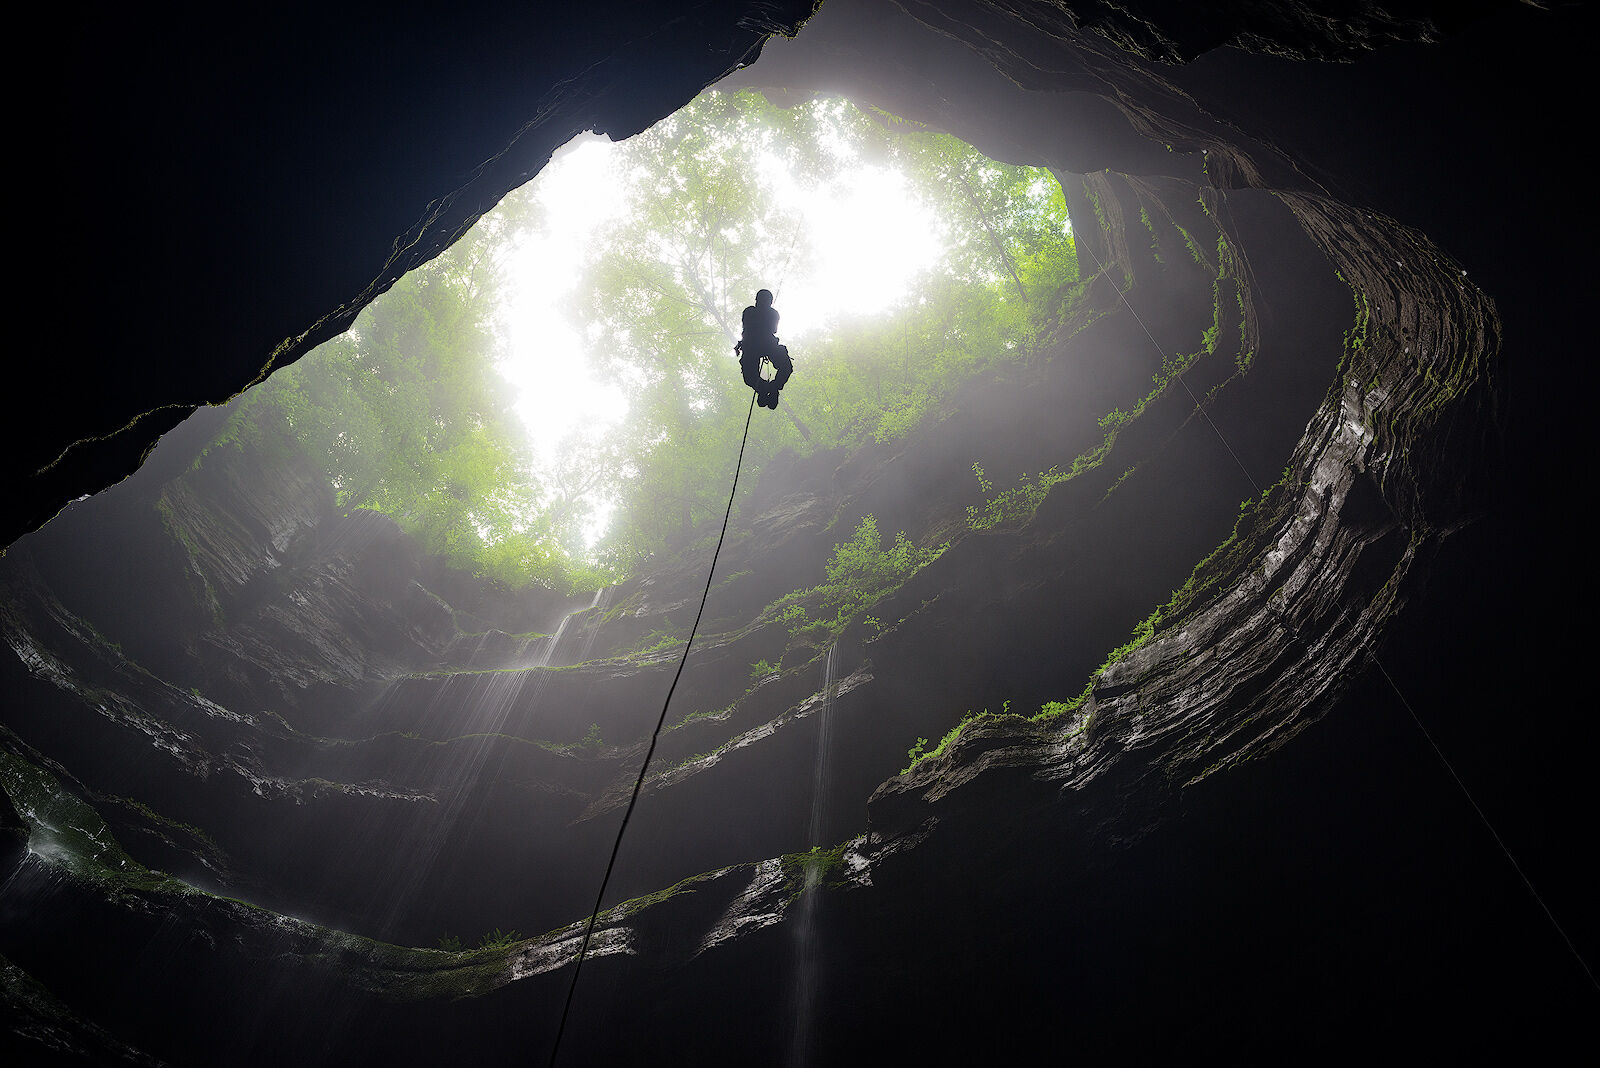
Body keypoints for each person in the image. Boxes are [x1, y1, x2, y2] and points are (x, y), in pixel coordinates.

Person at [735, 288, 792, 409]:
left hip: (753, 346)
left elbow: (747, 328)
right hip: (764, 345)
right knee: (785, 367)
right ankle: (770, 388)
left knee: (750, 377)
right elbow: (773, 329)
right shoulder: (772, 313)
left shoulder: (749, 312)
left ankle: (765, 389)